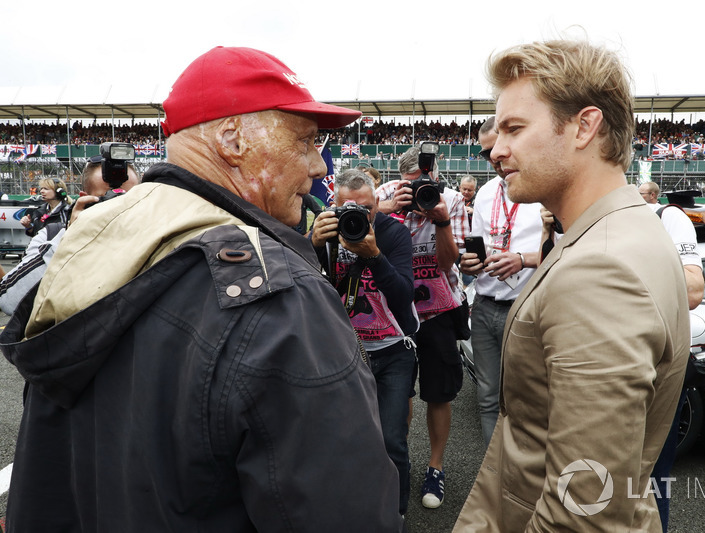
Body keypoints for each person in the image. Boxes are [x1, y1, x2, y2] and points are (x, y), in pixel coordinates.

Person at [0, 46, 405, 533]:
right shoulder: (278, 295)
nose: (319, 167)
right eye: (306, 141)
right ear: (232, 139)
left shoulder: (90, 234)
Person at [454, 40, 690, 532]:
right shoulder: (619, 230)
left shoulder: (602, 269)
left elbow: (585, 513)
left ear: (584, 126)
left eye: (515, 129)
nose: (497, 149)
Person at [311, 168, 417, 516]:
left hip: (392, 350)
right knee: (341, 438)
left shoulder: (394, 233)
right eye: (349, 210)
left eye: (368, 209)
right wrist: (310, 246)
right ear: (333, 207)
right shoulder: (323, 233)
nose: (360, 217)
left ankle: (397, 513)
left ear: (377, 204)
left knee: (391, 440)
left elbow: (403, 296)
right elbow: (304, 288)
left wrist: (374, 256)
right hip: (342, 349)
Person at [376, 145, 469, 509]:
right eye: (413, 185)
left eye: (425, 184)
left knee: (438, 391)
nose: (419, 193)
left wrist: (441, 220)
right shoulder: (384, 196)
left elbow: (449, 263)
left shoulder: (449, 200)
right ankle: (399, 461)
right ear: (401, 179)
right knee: (400, 393)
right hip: (395, 309)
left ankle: (436, 466)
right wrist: (382, 214)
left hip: (438, 310)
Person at [458, 116, 550, 448]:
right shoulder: (484, 193)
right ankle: (492, 481)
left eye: (497, 148)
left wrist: (522, 259)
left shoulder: (544, 189)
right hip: (484, 306)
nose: (494, 158)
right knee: (486, 396)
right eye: (486, 154)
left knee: (525, 401)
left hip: (526, 309)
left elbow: (570, 253)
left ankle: (522, 483)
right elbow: (477, 246)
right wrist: (471, 261)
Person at [639, 181, 704, 532]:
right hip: (595, 365)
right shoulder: (571, 219)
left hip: (656, 364)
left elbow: (694, 290)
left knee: (653, 480)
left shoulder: (668, 217)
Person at [0, 160, 140, 316]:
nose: (120, 209)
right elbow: (10, 300)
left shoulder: (155, 238)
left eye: (131, 200)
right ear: (85, 200)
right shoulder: (53, 236)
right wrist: (71, 237)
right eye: (107, 199)